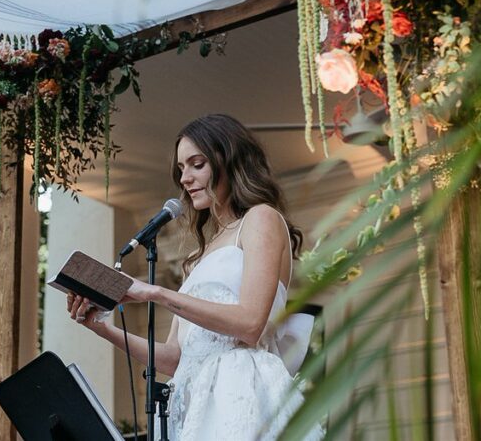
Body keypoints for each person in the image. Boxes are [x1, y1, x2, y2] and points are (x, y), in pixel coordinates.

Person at [66, 113, 322, 440]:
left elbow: (250, 323)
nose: (185, 178)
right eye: (181, 169)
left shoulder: (261, 219)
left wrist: (156, 294)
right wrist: (101, 328)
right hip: (195, 403)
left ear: (229, 161)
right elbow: (175, 358)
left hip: (241, 389)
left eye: (196, 164)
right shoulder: (197, 258)